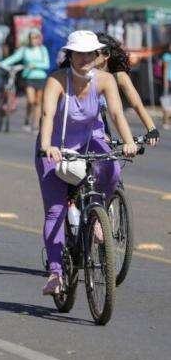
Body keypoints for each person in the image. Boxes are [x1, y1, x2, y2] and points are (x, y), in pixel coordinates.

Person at [36, 30, 137, 295]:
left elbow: (116, 113)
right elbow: (47, 115)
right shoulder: (57, 81)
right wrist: (48, 146)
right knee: (56, 210)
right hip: (56, 146)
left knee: (113, 167)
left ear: (96, 56)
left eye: (89, 53)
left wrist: (129, 141)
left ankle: (95, 216)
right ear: (69, 55)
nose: (84, 59)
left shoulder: (104, 80)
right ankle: (56, 272)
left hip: (89, 139)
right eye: (78, 53)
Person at [94, 32, 159, 145]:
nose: (87, 56)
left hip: (101, 129)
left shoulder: (119, 77)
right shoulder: (82, 75)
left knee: (108, 159)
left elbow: (137, 105)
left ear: (106, 54)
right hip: (79, 128)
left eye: (94, 52)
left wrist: (151, 129)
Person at [1, 30, 50, 132]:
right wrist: (2, 63)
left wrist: (35, 65)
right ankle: (27, 119)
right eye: (31, 38)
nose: (33, 40)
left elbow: (46, 64)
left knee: (38, 102)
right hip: (29, 77)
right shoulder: (25, 50)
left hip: (40, 77)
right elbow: (14, 58)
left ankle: (35, 124)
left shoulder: (42, 49)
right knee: (30, 100)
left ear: (39, 39)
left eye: (35, 38)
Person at [159, 43, 171, 130]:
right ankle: (166, 121)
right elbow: (165, 70)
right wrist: (165, 81)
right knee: (167, 101)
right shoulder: (166, 56)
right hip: (168, 80)